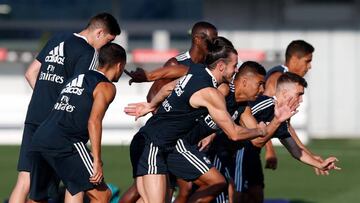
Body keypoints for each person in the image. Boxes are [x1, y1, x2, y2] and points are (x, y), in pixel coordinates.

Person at [125, 43, 300, 203]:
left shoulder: (196, 72)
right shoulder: (211, 93)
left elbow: (167, 88)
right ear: (221, 66)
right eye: (234, 66)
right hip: (154, 145)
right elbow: (234, 133)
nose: (236, 70)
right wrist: (261, 131)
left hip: (159, 144)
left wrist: (151, 105)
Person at [9, 12, 120, 203]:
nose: (105, 48)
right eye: (108, 41)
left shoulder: (57, 39)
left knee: (25, 180)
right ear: (100, 33)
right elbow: (77, 91)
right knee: (74, 181)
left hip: (34, 116)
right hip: (58, 125)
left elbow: (30, 73)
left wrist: (45, 96)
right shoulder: (88, 53)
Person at [119, 21, 218, 203]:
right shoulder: (177, 63)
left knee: (160, 193)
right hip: (167, 139)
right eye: (212, 40)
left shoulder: (210, 69)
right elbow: (153, 96)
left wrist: (209, 131)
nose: (215, 45)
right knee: (157, 190)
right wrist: (171, 123)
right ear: (197, 39)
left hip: (188, 138)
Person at [28, 43, 126, 202]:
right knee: (102, 195)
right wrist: (97, 160)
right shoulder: (106, 86)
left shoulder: (76, 78)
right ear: (120, 65)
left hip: (40, 137)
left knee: (39, 198)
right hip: (66, 142)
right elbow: (94, 121)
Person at [236, 72, 341, 203]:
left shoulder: (282, 117)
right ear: (285, 93)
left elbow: (295, 150)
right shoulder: (262, 105)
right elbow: (242, 128)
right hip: (227, 155)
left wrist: (320, 164)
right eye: (299, 94)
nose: (301, 99)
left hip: (246, 159)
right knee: (234, 196)